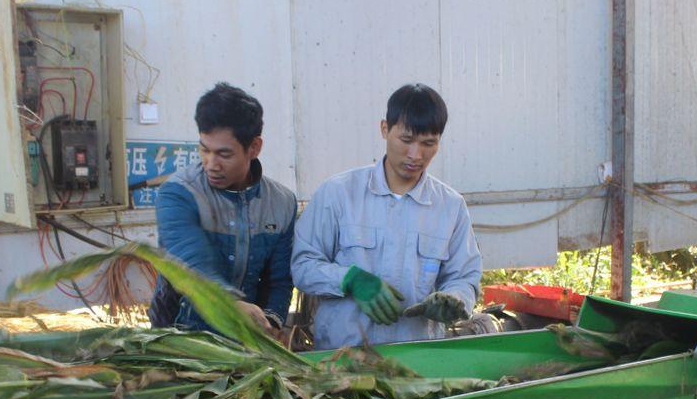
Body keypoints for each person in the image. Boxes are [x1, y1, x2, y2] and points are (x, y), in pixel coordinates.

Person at [291, 83, 481, 350]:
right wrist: (350, 279)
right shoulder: (338, 194)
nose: (416, 155)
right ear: (384, 129)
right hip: (342, 360)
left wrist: (454, 299)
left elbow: (465, 276)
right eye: (406, 140)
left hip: (418, 362)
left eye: (428, 143)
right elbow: (302, 266)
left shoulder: (450, 206)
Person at [149, 83, 296, 338]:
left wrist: (271, 321)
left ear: (254, 147)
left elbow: (279, 278)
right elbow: (191, 261)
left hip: (246, 340)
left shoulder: (281, 203)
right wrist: (230, 304)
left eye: (224, 154)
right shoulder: (178, 193)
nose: (211, 164)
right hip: (179, 341)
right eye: (204, 150)